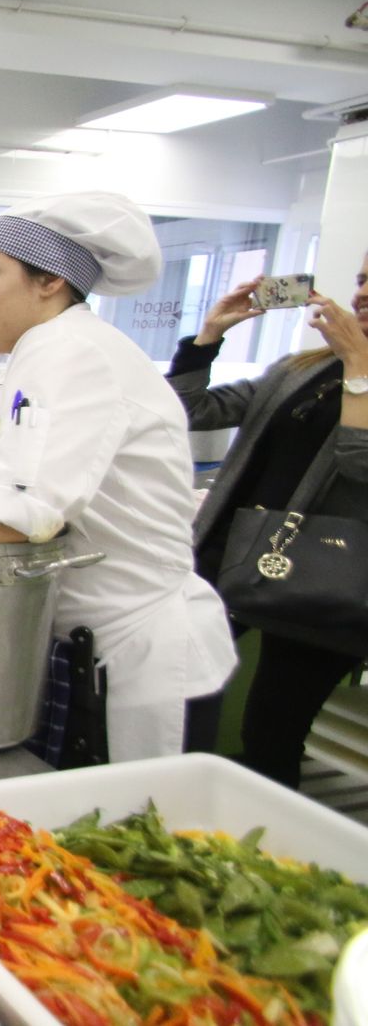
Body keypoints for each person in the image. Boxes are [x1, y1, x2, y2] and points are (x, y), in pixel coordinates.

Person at [0, 191, 236, 762]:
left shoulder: (74, 353)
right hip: (67, 645)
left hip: (133, 657)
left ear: (50, 280)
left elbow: (11, 516)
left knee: (130, 836)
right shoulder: (28, 360)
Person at [167, 256, 368, 787]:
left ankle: (267, 841)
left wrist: (359, 368)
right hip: (230, 555)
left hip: (324, 585)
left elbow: (359, 463)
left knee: (272, 730)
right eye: (363, 278)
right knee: (177, 693)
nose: (365, 293)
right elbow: (193, 412)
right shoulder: (300, 368)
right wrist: (209, 336)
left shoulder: (350, 370)